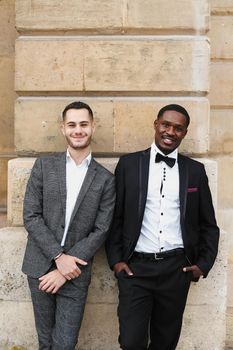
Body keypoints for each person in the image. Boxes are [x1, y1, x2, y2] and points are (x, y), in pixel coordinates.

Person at [106, 104, 219, 350]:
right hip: (136, 269)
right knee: (131, 341)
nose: (170, 131)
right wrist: (116, 260)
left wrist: (203, 264)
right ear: (156, 124)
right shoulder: (128, 165)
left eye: (178, 128)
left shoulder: (195, 171)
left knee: (165, 342)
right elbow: (115, 218)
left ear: (185, 133)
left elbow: (208, 224)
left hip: (176, 270)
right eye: (166, 125)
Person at [22, 101, 115, 350]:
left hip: (75, 272)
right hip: (39, 266)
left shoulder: (105, 179)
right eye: (72, 124)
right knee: (45, 343)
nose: (78, 130)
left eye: (83, 124)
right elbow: (31, 215)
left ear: (93, 126)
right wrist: (57, 256)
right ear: (63, 128)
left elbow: (102, 228)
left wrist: (65, 265)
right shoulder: (43, 166)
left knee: (65, 344)